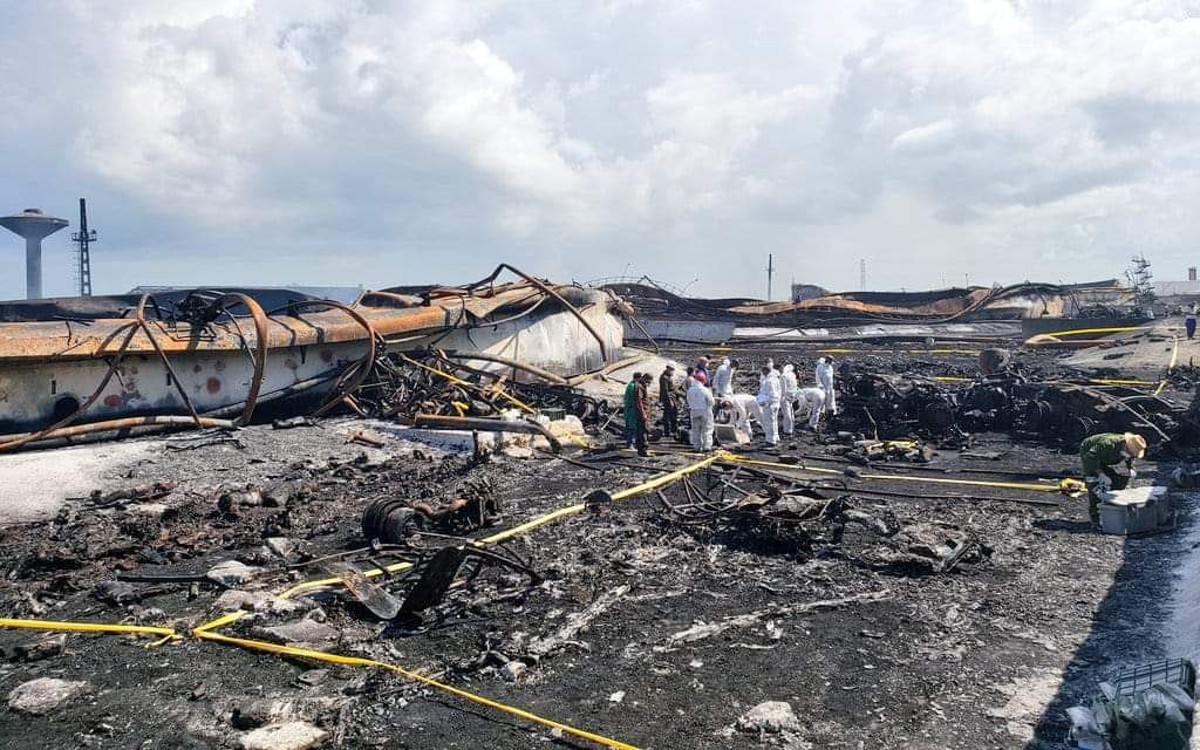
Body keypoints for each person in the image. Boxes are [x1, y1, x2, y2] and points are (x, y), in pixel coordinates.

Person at [1079, 432, 1147, 525]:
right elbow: (1090, 457)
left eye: (1132, 454)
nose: (1130, 455)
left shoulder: (1128, 450)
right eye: (1130, 452)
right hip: (1089, 452)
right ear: (1125, 445)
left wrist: (1130, 468)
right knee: (1093, 482)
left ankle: (1114, 507)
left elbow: (1129, 459)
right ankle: (1095, 516)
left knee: (1118, 479)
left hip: (1105, 456)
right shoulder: (1107, 444)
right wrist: (1101, 474)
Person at [687, 376, 715, 451]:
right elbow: (711, 401)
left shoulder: (690, 390)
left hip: (693, 411)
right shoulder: (704, 390)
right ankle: (707, 446)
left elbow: (688, 400)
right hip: (704, 411)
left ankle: (697, 446)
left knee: (696, 430)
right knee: (707, 429)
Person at [757, 365, 782, 446]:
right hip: (776, 403)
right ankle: (775, 437)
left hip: (770, 404)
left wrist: (763, 401)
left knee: (769, 422)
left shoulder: (768, 381)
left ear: (765, 371)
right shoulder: (776, 379)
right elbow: (779, 391)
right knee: (774, 421)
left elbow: (770, 394)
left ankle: (770, 441)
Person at [633, 373, 652, 456]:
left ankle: (640, 449)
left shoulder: (641, 386)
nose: (649, 384)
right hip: (642, 412)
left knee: (641, 430)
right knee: (643, 430)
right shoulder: (640, 387)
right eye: (648, 382)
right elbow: (639, 401)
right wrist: (643, 413)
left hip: (643, 411)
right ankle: (643, 450)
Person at [658, 365, 679, 438]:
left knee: (672, 414)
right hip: (668, 399)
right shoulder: (664, 378)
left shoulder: (667, 377)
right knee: (668, 415)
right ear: (668, 369)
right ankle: (668, 431)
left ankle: (672, 430)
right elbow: (665, 390)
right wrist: (670, 401)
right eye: (672, 369)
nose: (673, 371)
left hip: (671, 398)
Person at [623, 373, 641, 448]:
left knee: (629, 426)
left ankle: (630, 442)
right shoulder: (632, 386)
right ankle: (630, 443)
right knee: (632, 427)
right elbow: (635, 399)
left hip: (629, 409)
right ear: (638, 378)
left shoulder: (630, 385)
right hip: (632, 409)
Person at [780, 363, 799, 435]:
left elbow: (783, 389)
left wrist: (781, 398)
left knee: (787, 413)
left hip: (786, 396)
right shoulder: (793, 375)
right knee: (790, 411)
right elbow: (795, 386)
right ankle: (791, 427)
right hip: (792, 395)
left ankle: (787, 430)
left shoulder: (784, 376)